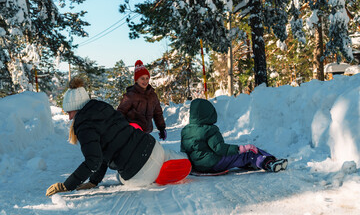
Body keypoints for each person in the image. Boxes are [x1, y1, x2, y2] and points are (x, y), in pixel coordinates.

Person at [46, 77, 189, 197]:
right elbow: (102, 153)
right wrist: (94, 181)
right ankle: (186, 160)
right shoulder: (103, 107)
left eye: (70, 112)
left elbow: (94, 160)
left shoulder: (84, 125)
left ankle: (156, 175)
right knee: (162, 154)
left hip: (138, 173)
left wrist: (67, 185)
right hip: (152, 146)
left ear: (77, 108)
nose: (70, 117)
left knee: (121, 177)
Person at [180, 98, 288, 174]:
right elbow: (220, 149)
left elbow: (184, 151)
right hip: (213, 164)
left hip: (198, 166)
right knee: (249, 153)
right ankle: (269, 163)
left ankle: (254, 163)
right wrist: (239, 149)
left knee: (237, 158)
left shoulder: (185, 130)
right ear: (209, 113)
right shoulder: (210, 129)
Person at [117, 60, 167, 140]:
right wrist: (120, 128)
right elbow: (120, 112)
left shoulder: (152, 95)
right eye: (142, 78)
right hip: (132, 130)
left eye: (147, 78)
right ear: (136, 80)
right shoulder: (131, 95)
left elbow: (158, 113)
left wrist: (161, 128)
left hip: (146, 130)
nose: (145, 81)